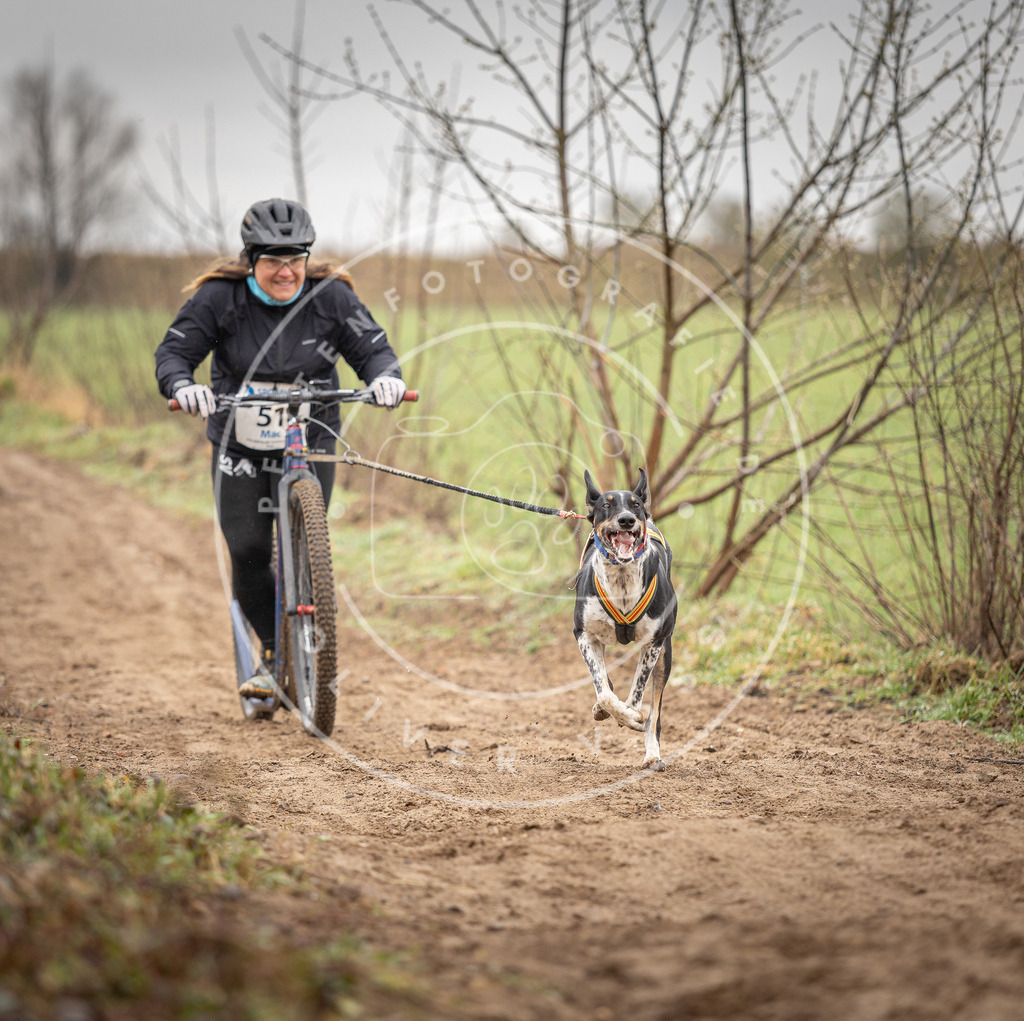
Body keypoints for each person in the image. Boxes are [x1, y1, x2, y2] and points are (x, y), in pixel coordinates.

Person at [155, 197, 406, 699]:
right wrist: (183, 386)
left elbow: (374, 350)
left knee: (305, 545)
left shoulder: (331, 298)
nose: (286, 270)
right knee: (249, 550)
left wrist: (385, 380)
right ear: (251, 260)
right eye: (273, 260)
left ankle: (309, 633)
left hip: (311, 437)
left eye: (296, 258)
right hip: (240, 447)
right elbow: (174, 354)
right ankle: (271, 653)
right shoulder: (218, 300)